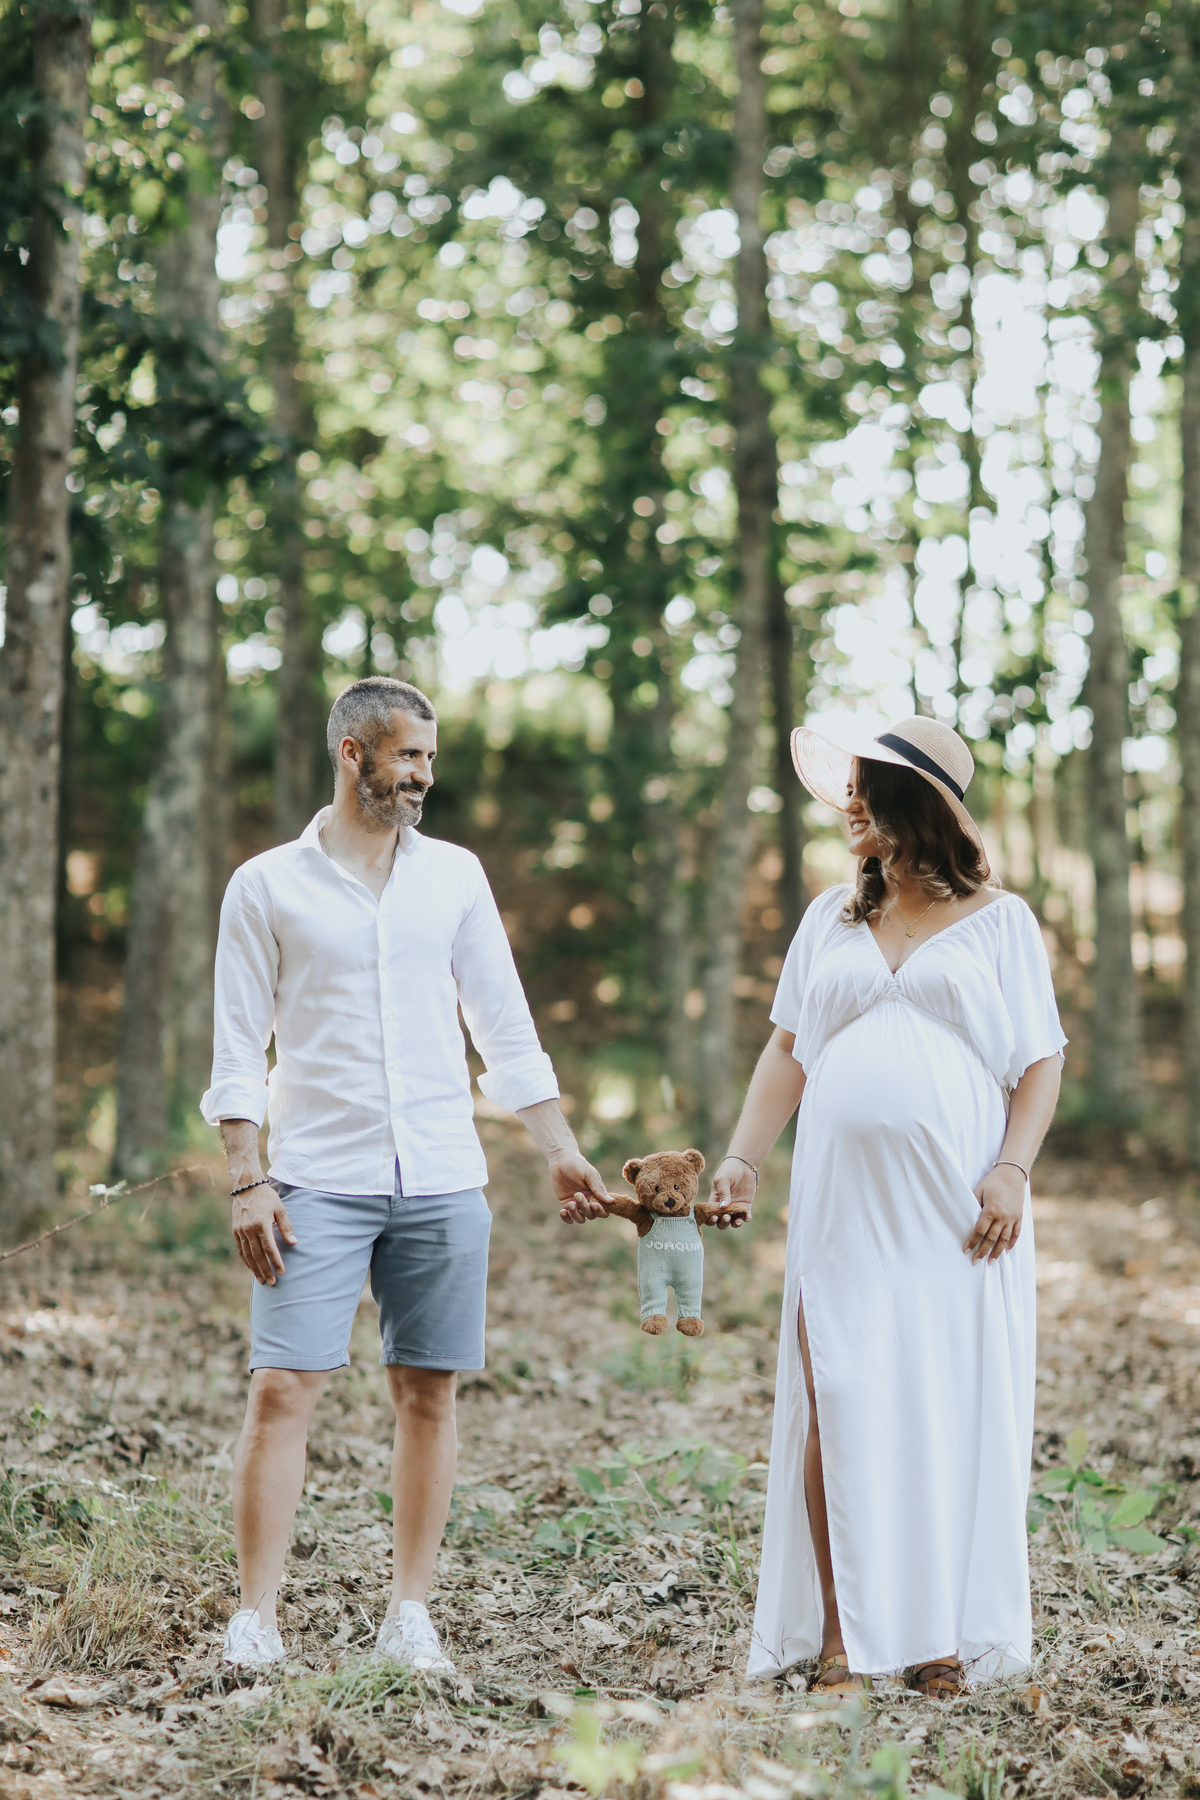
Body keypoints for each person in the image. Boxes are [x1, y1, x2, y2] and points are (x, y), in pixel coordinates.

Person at [201, 676, 609, 1676]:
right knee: (282, 1388)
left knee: (428, 1393)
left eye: (430, 757)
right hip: (315, 1178)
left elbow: (503, 1028)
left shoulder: (456, 878)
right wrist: (248, 1178)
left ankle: (410, 1614)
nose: (424, 775)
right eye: (408, 756)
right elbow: (237, 1049)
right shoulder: (265, 885)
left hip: (440, 1177)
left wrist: (558, 1147)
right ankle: (256, 1618)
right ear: (354, 754)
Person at [707, 715, 1064, 1696]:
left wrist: (1012, 1169)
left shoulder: (1002, 922)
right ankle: (841, 1639)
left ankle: (937, 1637)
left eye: (869, 786)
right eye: (852, 785)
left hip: (958, 1210)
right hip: (842, 1208)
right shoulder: (829, 918)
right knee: (842, 1396)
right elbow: (788, 1050)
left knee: (940, 1402)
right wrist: (742, 1158)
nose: (850, 803)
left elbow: (1040, 1062)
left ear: (920, 805)